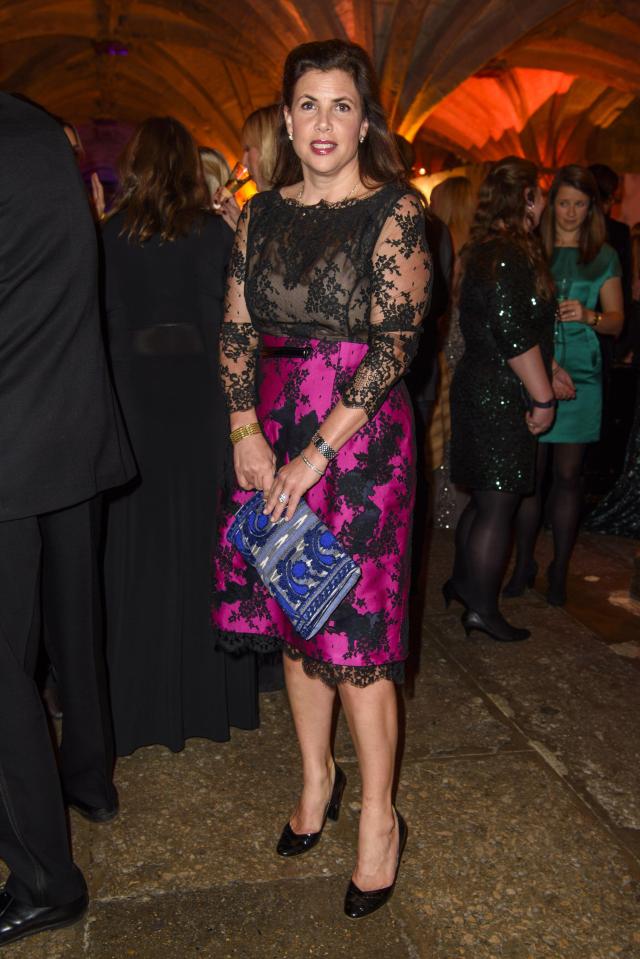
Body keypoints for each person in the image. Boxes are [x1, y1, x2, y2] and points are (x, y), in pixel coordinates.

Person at [212, 39, 431, 919]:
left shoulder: (398, 212)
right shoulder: (259, 215)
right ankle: (317, 778)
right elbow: (234, 330)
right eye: (308, 104)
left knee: (358, 643)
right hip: (273, 430)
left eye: (342, 105)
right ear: (287, 117)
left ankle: (380, 819)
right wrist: (245, 431)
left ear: (366, 120)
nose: (324, 122)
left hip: (360, 442)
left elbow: (394, 345)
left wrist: (314, 453)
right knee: (297, 619)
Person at [0, 93, 134, 946]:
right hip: (67, 423)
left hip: (11, 436)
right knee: (71, 619)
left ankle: (47, 872)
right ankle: (86, 777)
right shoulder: (39, 130)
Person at [102, 117, 258, 756]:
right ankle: (206, 699)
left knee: (136, 552)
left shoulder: (107, 236)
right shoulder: (211, 234)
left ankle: (136, 706)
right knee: (203, 548)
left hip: (134, 403)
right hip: (200, 404)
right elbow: (233, 330)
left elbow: (103, 327)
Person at [445, 157, 559, 642]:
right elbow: (513, 334)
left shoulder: (484, 249)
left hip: (480, 383)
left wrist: (550, 371)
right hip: (499, 391)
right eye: (541, 193)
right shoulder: (509, 255)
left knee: (481, 500)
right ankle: (483, 609)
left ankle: (466, 587)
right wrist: (544, 396)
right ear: (528, 197)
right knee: (498, 505)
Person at [505, 166, 624, 606]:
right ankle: (522, 565)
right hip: (538, 369)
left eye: (580, 204)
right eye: (563, 202)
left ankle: (560, 568)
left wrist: (589, 316)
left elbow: (616, 322)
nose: (571, 212)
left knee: (569, 477)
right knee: (531, 478)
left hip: (585, 375)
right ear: (550, 205)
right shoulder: (534, 249)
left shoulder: (604, 254)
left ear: (591, 208)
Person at [429, 176, 476, 529]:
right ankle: (454, 506)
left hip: (445, 339)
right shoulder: (477, 246)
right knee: (457, 425)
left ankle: (439, 506)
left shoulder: (437, 240)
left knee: (439, 421)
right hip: (465, 343)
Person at [214, 104, 281, 232]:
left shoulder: (293, 208)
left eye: (248, 149)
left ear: (269, 149)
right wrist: (240, 230)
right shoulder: (270, 206)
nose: (244, 162)